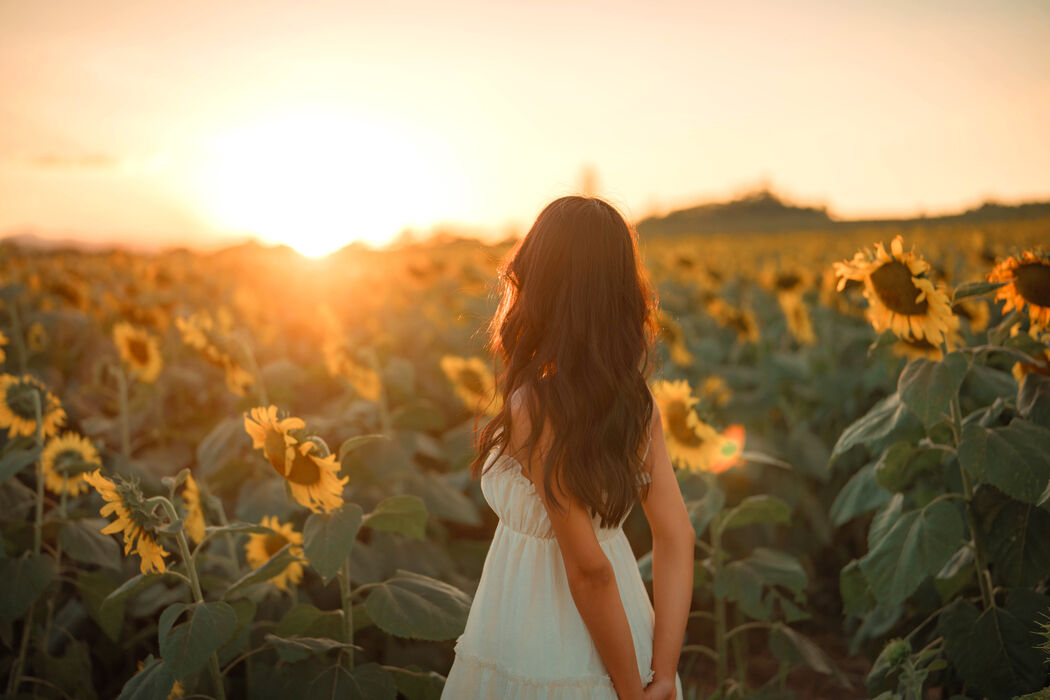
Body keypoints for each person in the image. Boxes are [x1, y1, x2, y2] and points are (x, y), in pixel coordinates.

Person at [442, 195, 695, 699]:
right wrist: (661, 673)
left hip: (548, 639)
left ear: (538, 284)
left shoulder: (535, 407)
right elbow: (677, 536)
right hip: (630, 632)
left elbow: (588, 569)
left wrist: (628, 689)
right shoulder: (637, 403)